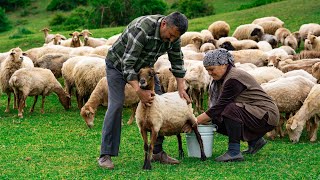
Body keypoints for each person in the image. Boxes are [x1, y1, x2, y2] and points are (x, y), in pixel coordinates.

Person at [98, 12, 191, 169]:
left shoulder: (173, 34)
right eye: (170, 36)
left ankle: (157, 152)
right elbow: (127, 64)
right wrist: (139, 92)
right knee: (116, 105)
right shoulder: (141, 29)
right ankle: (105, 154)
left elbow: (177, 60)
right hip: (118, 65)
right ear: (163, 25)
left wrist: (181, 87)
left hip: (145, 70)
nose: (172, 40)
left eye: (175, 38)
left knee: (159, 103)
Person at [194, 48, 279, 162]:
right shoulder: (222, 78)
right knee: (216, 119)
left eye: (212, 69)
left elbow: (220, 106)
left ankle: (234, 152)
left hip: (267, 115)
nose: (209, 73)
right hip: (255, 113)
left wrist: (195, 121)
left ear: (223, 65)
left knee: (229, 109)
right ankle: (255, 141)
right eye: (207, 70)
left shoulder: (233, 78)